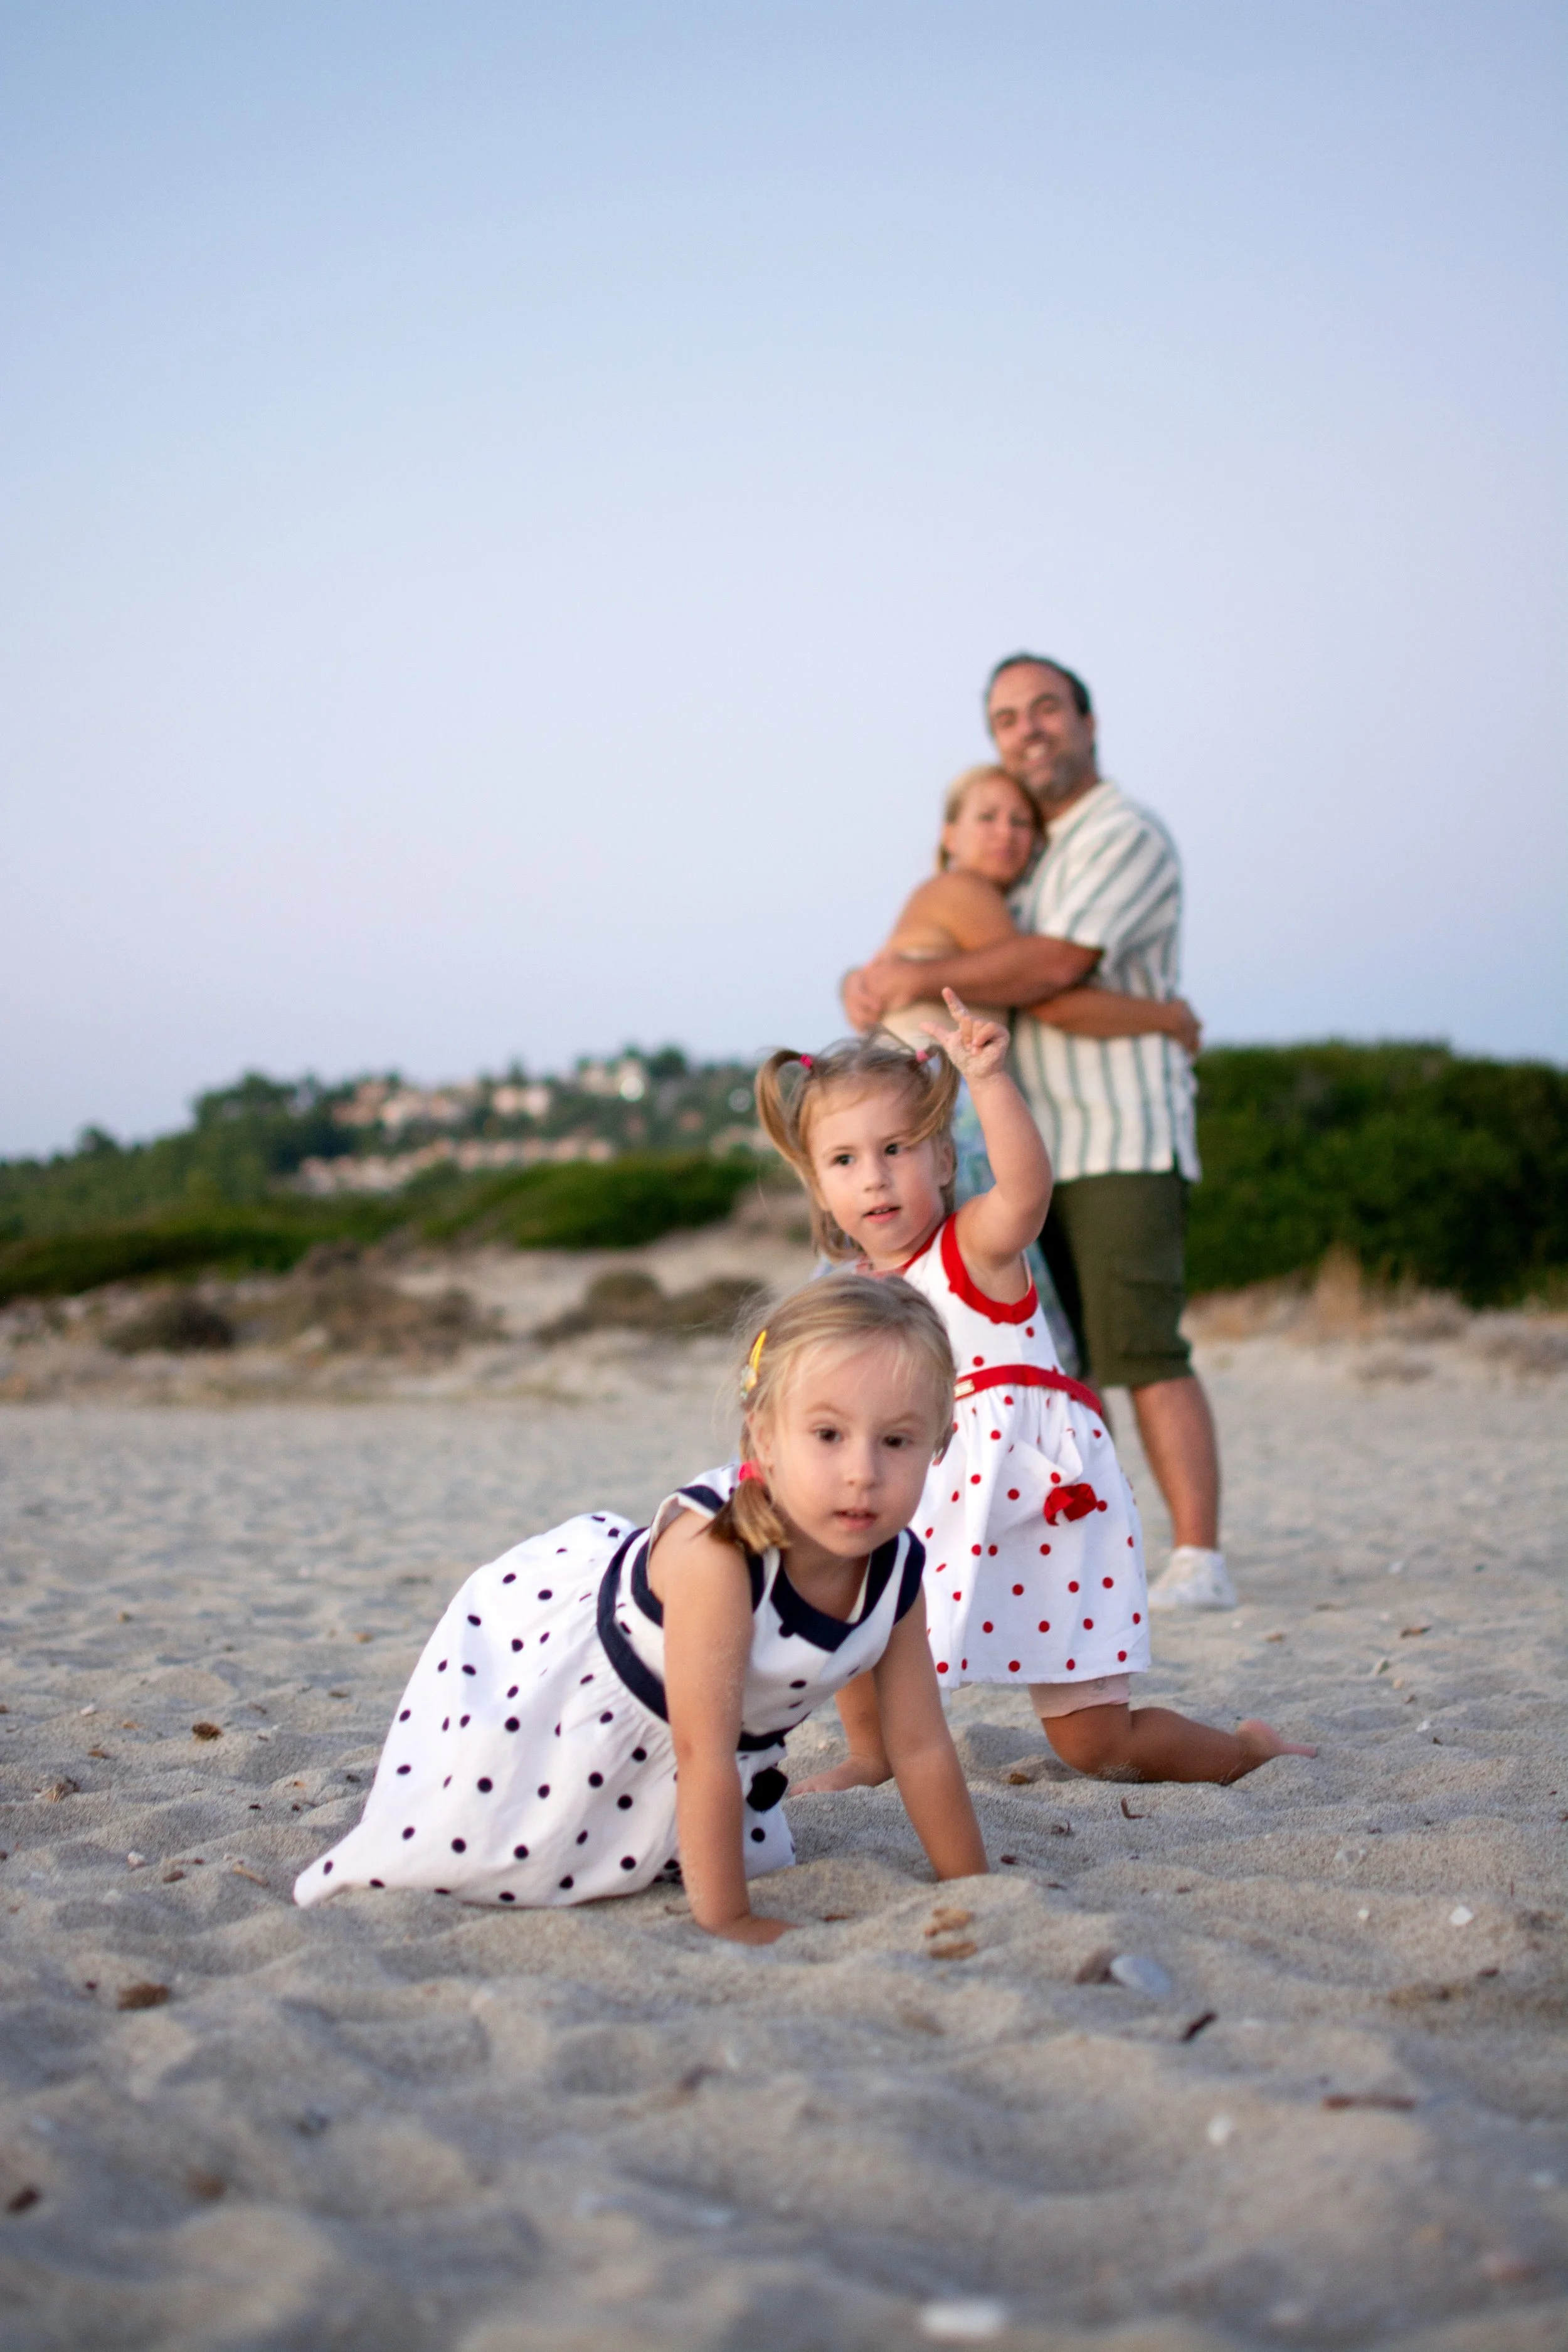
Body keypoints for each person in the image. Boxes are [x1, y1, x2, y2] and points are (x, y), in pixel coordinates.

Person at [294, 1275, 987, 1943]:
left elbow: (921, 1745)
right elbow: (701, 1750)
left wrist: (971, 1886)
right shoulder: (723, 1555)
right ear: (764, 1438)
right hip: (590, 1707)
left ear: (938, 1446)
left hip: (711, 1751)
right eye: (828, 1435)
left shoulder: (895, 1570)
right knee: (488, 1854)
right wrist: (728, 1919)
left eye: (896, 1440)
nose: (862, 1471)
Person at [756, 1007, 1315, 1786]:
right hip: (923, 1498)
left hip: (1036, 1503)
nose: (875, 1176)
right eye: (844, 1160)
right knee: (851, 1572)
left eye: (896, 1149)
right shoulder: (847, 1295)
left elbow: (1026, 1190)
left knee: (1094, 1745)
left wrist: (986, 1080)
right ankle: (871, 1753)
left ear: (946, 1158)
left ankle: (1245, 1753)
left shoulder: (973, 1248)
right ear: (818, 1184)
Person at [844, 656, 1232, 1612]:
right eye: (1007, 717)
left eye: (1046, 708)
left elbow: (1050, 969)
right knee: (1050, 1350)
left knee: (1139, 1345)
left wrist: (1160, 1020)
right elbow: (1020, 975)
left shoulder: (1120, 833)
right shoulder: (1019, 871)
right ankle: (1076, 1536)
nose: (1029, 729)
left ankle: (1199, 1556)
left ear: (1089, 721)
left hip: (1119, 1133)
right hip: (1034, 1137)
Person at [869, 758, 1204, 1370]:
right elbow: (1047, 991)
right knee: (1001, 1317)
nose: (1006, 832)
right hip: (936, 1118)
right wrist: (1167, 1018)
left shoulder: (975, 903)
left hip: (917, 1110)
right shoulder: (964, 892)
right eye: (987, 817)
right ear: (949, 836)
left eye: (1022, 822)